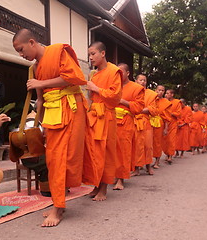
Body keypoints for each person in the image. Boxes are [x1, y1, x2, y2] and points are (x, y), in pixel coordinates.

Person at [12, 28, 88, 227]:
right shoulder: (35, 68)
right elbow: (40, 99)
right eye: (18, 52)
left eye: (21, 49)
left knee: (61, 158)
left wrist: (41, 82)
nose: (21, 55)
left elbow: (75, 77)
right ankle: (59, 205)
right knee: (53, 159)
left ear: (31, 42)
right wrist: (39, 122)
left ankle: (58, 207)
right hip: (52, 115)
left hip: (70, 109)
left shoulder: (57, 52)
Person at [82, 41, 122, 201]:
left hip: (107, 117)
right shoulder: (93, 74)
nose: (90, 57)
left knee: (105, 153)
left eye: (93, 54)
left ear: (103, 53)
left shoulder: (114, 71)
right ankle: (96, 185)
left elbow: (116, 97)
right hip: (93, 117)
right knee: (93, 153)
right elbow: (90, 98)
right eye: (89, 54)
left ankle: (104, 188)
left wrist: (96, 89)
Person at [113, 63, 144, 190]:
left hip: (126, 122)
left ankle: (120, 179)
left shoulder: (136, 88)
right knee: (111, 151)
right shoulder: (114, 86)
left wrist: (122, 101)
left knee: (123, 151)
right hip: (111, 121)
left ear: (128, 73)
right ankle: (114, 175)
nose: (119, 75)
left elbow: (139, 108)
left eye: (121, 72)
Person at [133, 74, 158, 176]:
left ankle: (148, 166)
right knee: (136, 145)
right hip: (135, 121)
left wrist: (139, 109)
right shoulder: (133, 92)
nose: (142, 82)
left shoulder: (151, 94)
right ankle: (136, 168)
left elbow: (153, 109)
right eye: (140, 80)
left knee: (148, 145)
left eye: (144, 80)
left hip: (146, 122)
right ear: (136, 81)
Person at [152, 85, 172, 169]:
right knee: (148, 143)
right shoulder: (151, 99)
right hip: (149, 122)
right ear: (155, 90)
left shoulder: (165, 102)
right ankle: (145, 162)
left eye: (162, 90)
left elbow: (166, 117)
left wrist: (166, 128)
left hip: (160, 123)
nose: (160, 92)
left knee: (157, 143)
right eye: (159, 90)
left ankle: (157, 162)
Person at [162, 89, 181, 164]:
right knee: (164, 140)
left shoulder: (177, 102)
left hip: (173, 123)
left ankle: (170, 156)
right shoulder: (164, 102)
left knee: (171, 139)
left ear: (172, 94)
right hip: (164, 123)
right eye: (166, 93)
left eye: (168, 93)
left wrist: (171, 113)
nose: (166, 95)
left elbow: (179, 114)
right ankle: (167, 153)